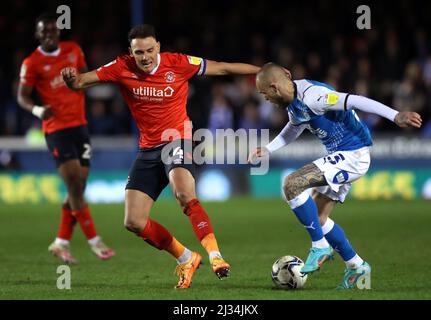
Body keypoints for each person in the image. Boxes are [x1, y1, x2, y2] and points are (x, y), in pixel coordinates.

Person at [61, 24, 260, 289]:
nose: (145, 57)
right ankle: (187, 258)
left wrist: (262, 71)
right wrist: (70, 78)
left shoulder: (178, 63)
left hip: (177, 139)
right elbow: (80, 82)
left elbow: (222, 67)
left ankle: (216, 256)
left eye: (150, 50)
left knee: (184, 193)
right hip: (148, 149)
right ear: (131, 52)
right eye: (139, 52)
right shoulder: (121, 67)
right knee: (133, 221)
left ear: (159, 47)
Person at [249, 63, 422, 289]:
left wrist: (395, 115)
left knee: (292, 184)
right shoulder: (293, 103)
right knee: (319, 217)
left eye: (264, 94)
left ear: (274, 87)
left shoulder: (315, 96)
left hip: (352, 154)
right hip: (340, 154)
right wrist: (269, 148)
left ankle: (319, 247)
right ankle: (357, 267)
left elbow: (355, 100)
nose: (265, 99)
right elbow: (294, 126)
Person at [17, 13, 115, 264]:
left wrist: (84, 84)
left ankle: (61, 242)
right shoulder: (32, 62)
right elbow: (22, 96)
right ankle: (95, 240)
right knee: (73, 182)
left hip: (80, 125)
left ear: (58, 32)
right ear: (37, 35)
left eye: (52, 30)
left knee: (78, 187)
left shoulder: (73, 50)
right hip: (56, 128)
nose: (49, 35)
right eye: (44, 31)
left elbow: (83, 79)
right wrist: (37, 110)